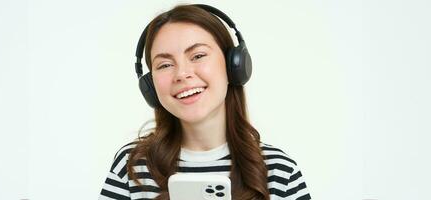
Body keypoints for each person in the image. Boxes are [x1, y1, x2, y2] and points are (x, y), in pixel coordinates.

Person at [99, 4, 311, 200]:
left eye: (198, 55)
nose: (181, 74)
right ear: (150, 85)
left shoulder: (279, 171)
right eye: (164, 65)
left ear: (233, 66)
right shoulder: (132, 166)